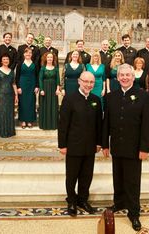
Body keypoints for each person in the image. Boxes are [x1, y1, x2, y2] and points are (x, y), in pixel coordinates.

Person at [102, 63, 149, 231]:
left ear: (133, 77)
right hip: (116, 145)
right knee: (118, 177)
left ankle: (133, 212)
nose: (124, 77)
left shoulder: (144, 96)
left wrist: (144, 148)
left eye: (127, 75)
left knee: (132, 181)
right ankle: (119, 202)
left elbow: (147, 125)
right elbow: (106, 122)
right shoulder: (111, 97)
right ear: (117, 78)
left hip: (134, 147)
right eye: (121, 75)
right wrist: (105, 144)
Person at [58, 71, 102, 217]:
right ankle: (71, 201)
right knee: (72, 176)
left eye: (91, 82)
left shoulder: (96, 99)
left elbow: (98, 124)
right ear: (79, 81)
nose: (88, 85)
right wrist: (62, 145)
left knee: (86, 175)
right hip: (73, 145)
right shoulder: (69, 99)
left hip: (90, 146)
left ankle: (83, 200)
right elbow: (63, 123)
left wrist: (99, 143)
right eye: (86, 81)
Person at [0, 53, 19, 137]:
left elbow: (14, 84)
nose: (6, 61)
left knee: (10, 113)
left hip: (10, 94)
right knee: (2, 112)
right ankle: (2, 132)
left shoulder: (12, 71)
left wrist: (16, 95)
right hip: (1, 94)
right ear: (1, 61)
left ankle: (10, 131)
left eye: (7, 59)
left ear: (9, 61)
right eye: (4, 59)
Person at [16, 48, 38, 128]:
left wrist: (37, 86)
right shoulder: (20, 64)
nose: (28, 54)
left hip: (32, 85)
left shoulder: (35, 64)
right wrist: (18, 87)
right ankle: (23, 120)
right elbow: (17, 76)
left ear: (31, 54)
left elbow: (37, 75)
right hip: (22, 84)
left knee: (31, 102)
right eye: (27, 53)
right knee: (22, 102)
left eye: (30, 53)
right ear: (24, 54)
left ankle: (30, 120)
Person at [38, 52, 61, 130]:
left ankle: (53, 124)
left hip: (53, 88)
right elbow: (40, 79)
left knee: (53, 106)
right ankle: (45, 125)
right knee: (45, 105)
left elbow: (58, 80)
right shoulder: (42, 68)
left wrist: (58, 89)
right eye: (48, 57)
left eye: (51, 57)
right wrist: (41, 89)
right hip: (45, 88)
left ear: (53, 59)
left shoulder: (56, 68)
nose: (50, 59)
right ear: (46, 58)